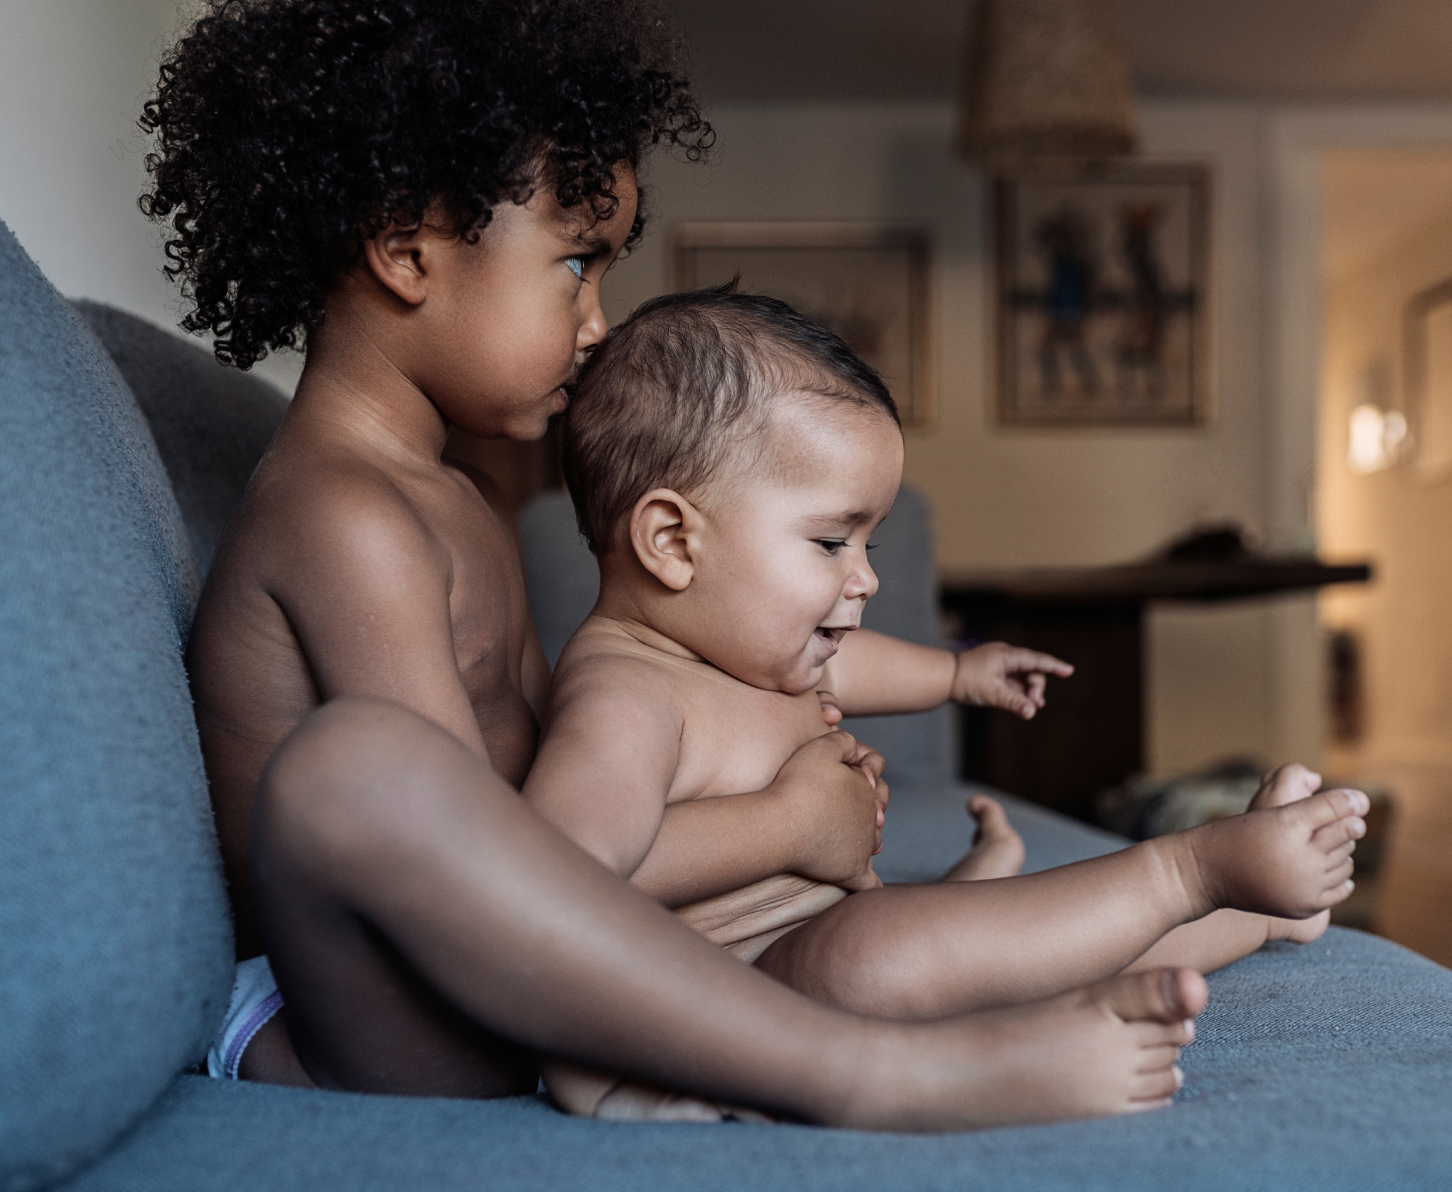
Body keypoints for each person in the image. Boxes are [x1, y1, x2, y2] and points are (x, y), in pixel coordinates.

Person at [149, 0, 1215, 1129]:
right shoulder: (342, 517)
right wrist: (785, 827)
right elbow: (471, 859)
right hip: (376, 1021)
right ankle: (867, 1073)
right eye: (575, 264)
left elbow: (559, 819)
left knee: (826, 867)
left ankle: (1187, 912)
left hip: (521, 966)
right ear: (408, 249)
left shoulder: (451, 498)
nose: (600, 322)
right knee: (353, 766)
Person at [528, 285, 1369, 1112]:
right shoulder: (627, 694)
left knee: (1048, 942)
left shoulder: (754, 654)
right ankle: (1192, 868)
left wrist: (959, 674)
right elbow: (555, 882)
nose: (865, 578)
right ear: (673, 541)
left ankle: (1259, 912)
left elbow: (858, 666)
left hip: (833, 950)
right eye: (829, 541)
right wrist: (792, 823)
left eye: (868, 541)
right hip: (735, 1000)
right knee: (881, 957)